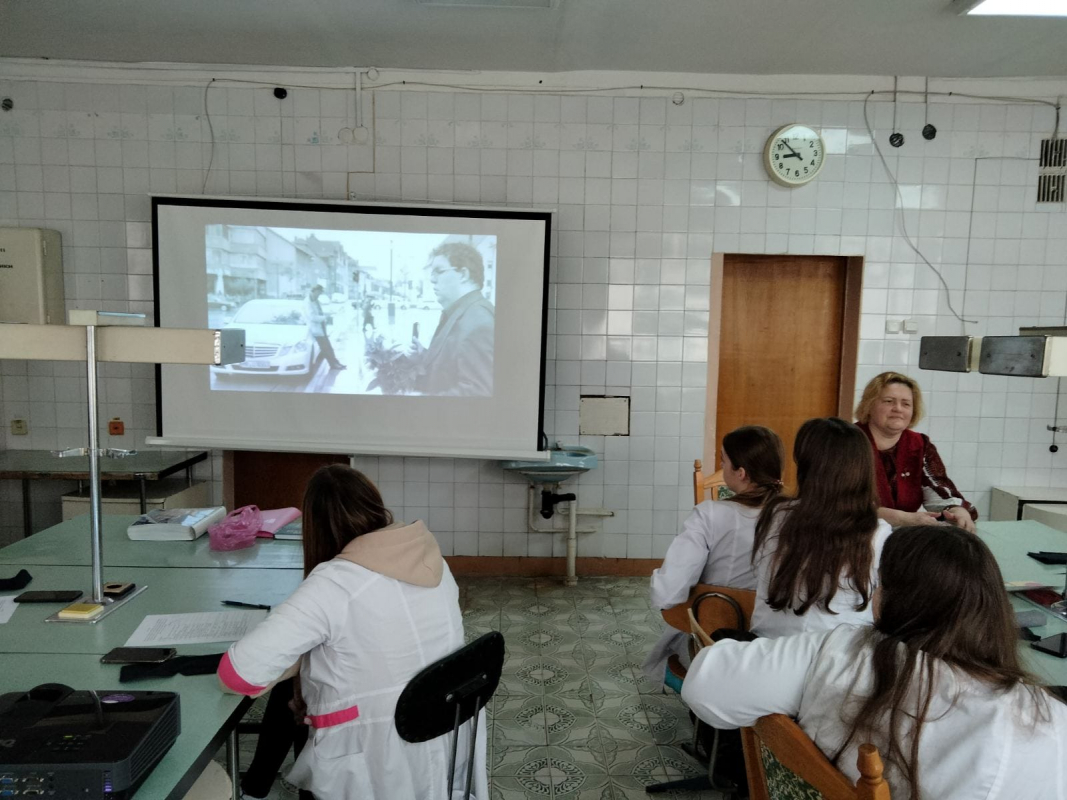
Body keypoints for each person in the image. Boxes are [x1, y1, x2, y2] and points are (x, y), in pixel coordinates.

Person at [681, 525, 1067, 800]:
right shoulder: (1047, 725)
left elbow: (705, 684)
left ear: (899, 599)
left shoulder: (841, 653)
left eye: (880, 583)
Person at [217, 465, 485, 800]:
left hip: (372, 756)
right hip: (443, 732)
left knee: (293, 686)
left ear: (314, 527)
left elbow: (237, 675)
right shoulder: (433, 561)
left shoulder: (333, 584)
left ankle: (254, 788)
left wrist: (295, 661)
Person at [643, 425, 785, 683]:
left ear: (741, 473)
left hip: (713, 640)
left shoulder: (710, 515)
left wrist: (659, 580)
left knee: (675, 651)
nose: (720, 466)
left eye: (723, 461)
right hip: (776, 650)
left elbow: (668, 593)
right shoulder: (797, 516)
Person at [751, 417, 893, 639]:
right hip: (838, 652)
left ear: (808, 469)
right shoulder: (877, 532)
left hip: (768, 646)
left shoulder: (777, 514)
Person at [855, 371, 976, 532]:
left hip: (902, 536)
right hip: (852, 536)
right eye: (889, 401)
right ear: (869, 405)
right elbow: (842, 503)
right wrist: (902, 518)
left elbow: (938, 488)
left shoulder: (919, 445)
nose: (898, 409)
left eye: (906, 404)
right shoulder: (846, 441)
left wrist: (956, 511)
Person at [413, 242, 494, 396]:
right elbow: (452, 367)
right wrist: (424, 354)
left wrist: (421, 400)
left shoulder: (479, 323)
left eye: (439, 271)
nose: (432, 279)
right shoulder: (464, 312)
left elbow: (478, 393)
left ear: (463, 274)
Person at [306, 285, 345, 371]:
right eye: (318, 293)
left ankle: (336, 363)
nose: (319, 295)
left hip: (321, 327)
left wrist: (327, 315)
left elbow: (319, 312)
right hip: (315, 329)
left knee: (328, 347)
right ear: (314, 291)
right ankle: (333, 365)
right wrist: (325, 317)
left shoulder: (315, 301)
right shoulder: (308, 302)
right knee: (325, 348)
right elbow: (312, 317)